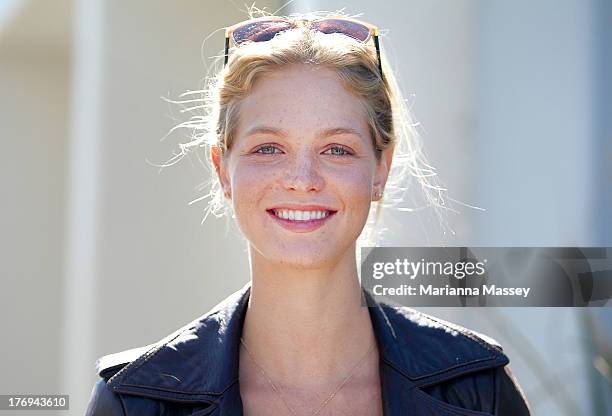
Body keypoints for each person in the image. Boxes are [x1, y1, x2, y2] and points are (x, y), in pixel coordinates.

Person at [85, 11, 531, 416]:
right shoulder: (134, 402)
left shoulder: (478, 389)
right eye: (268, 148)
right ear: (223, 170)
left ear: (381, 169)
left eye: (336, 149)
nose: (302, 179)